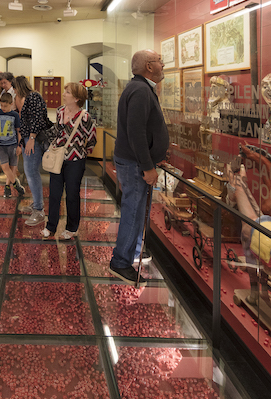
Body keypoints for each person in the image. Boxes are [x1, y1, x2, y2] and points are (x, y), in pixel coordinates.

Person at [109, 50, 169, 286]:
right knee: (133, 212)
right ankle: (121, 262)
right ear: (149, 66)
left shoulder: (140, 88)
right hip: (135, 164)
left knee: (135, 211)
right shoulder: (141, 90)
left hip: (136, 162)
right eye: (159, 61)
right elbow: (136, 132)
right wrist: (147, 166)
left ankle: (132, 251)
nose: (163, 65)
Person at [41, 82, 97, 241]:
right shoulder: (60, 111)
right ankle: (50, 226)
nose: (64, 94)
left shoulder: (85, 117)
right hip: (58, 157)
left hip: (76, 161)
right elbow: (57, 131)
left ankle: (71, 228)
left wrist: (83, 151)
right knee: (54, 193)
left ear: (77, 98)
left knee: (72, 194)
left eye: (67, 92)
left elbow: (92, 138)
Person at [13, 75, 53, 225]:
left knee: (31, 172)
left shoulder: (33, 96)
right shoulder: (25, 98)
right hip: (27, 138)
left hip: (33, 139)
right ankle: (37, 203)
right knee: (29, 171)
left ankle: (39, 210)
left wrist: (31, 138)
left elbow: (37, 119)